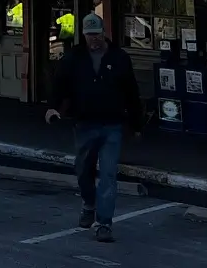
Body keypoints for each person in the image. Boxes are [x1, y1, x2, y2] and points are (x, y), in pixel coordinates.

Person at [43, 13, 142, 242]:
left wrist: (136, 123)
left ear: (103, 33)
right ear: (84, 35)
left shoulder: (119, 57)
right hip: (85, 122)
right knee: (83, 170)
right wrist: (52, 107)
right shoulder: (74, 58)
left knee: (108, 174)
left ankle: (104, 223)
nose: (93, 39)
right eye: (89, 35)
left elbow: (131, 91)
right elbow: (60, 84)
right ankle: (88, 204)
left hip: (112, 124)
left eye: (96, 34)